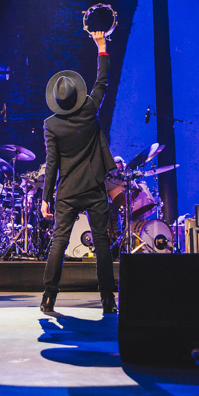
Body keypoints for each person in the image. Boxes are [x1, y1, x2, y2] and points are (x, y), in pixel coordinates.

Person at [40, 31, 117, 314]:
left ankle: (49, 297)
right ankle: (108, 299)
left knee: (59, 241)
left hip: (68, 190)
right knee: (102, 241)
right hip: (94, 187)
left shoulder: (51, 125)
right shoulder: (89, 109)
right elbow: (102, 82)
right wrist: (101, 46)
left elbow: (52, 164)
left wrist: (46, 198)